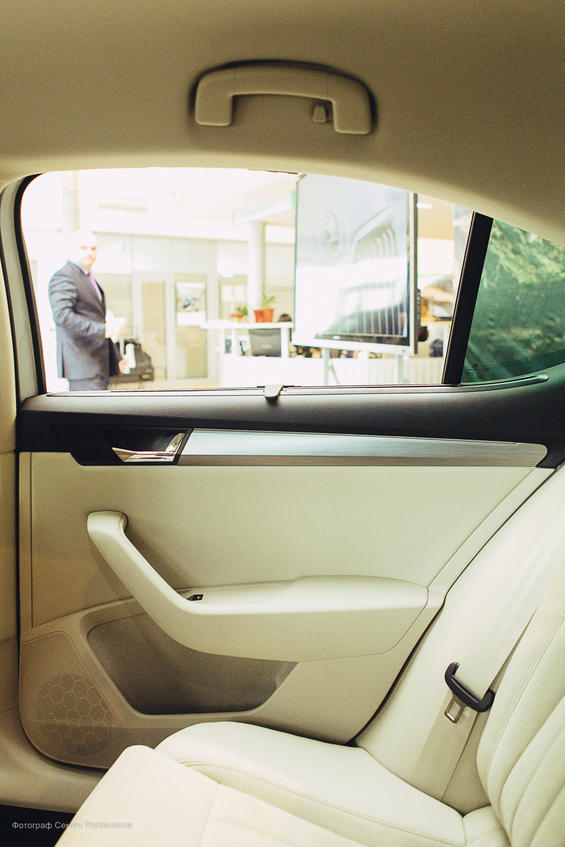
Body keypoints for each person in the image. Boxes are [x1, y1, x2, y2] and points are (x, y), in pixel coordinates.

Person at [49, 230, 126, 390]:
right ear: (71, 249)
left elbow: (96, 318)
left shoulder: (87, 278)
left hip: (97, 365)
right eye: (84, 248)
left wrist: (116, 356)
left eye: (94, 248)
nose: (90, 252)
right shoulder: (64, 276)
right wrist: (103, 330)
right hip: (82, 366)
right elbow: (62, 316)